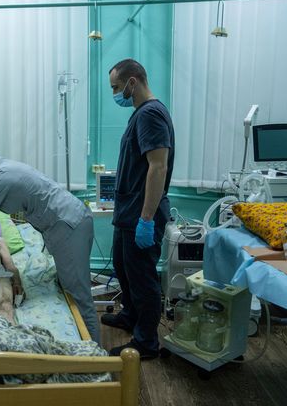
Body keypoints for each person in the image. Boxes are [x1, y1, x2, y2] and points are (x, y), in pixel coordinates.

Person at [0, 148, 100, 344]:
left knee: (78, 293)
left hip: (68, 225)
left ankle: (96, 357)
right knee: (70, 285)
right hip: (66, 221)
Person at [102, 59, 175, 359]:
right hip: (128, 212)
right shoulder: (139, 115)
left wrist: (146, 219)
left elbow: (158, 167)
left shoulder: (151, 115)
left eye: (117, 88)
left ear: (133, 82)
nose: (115, 94)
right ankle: (130, 315)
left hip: (141, 214)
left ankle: (146, 342)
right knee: (123, 268)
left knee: (143, 279)